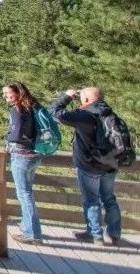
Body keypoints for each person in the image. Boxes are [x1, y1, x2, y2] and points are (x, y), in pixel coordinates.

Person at [52, 87, 122, 246]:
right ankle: (114, 234)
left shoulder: (84, 115)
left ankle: (95, 235)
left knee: (91, 200)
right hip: (110, 164)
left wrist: (67, 97)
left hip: (89, 164)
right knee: (109, 199)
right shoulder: (110, 114)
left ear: (87, 100)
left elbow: (54, 112)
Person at [2, 82, 43, 244]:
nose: (5, 96)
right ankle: (28, 227)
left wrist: (7, 137)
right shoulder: (32, 107)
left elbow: (17, 135)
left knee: (24, 194)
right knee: (27, 193)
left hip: (21, 155)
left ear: (18, 93)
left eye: (7, 93)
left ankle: (33, 234)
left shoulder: (17, 110)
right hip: (35, 154)